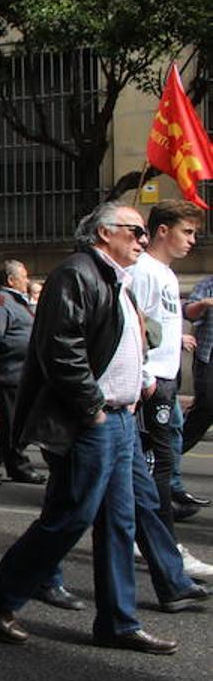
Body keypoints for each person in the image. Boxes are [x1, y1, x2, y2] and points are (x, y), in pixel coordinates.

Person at [0, 203, 182, 655]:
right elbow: (60, 349)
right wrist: (92, 408)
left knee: (120, 523)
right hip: (94, 421)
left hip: (120, 419)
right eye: (136, 231)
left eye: (145, 233)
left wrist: (139, 378)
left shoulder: (115, 279)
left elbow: (123, 341)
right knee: (71, 516)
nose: (144, 240)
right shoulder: (78, 273)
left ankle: (118, 622)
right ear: (105, 233)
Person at [129, 200, 213, 576]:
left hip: (166, 381)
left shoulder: (164, 272)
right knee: (158, 468)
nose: (193, 240)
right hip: (152, 385)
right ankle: (165, 546)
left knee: (154, 466)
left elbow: (155, 324)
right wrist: (146, 376)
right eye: (188, 232)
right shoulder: (144, 270)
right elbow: (133, 324)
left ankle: (141, 538)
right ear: (162, 230)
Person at [0, 260, 46, 485]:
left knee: (13, 422)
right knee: (15, 423)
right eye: (23, 276)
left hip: (22, 372)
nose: (27, 280)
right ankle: (18, 466)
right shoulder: (1, 301)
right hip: (10, 372)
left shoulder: (16, 302)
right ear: (11, 280)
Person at [180, 271, 213, 509]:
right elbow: (188, 312)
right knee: (205, 411)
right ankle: (163, 459)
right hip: (209, 360)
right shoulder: (207, 285)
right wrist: (203, 304)